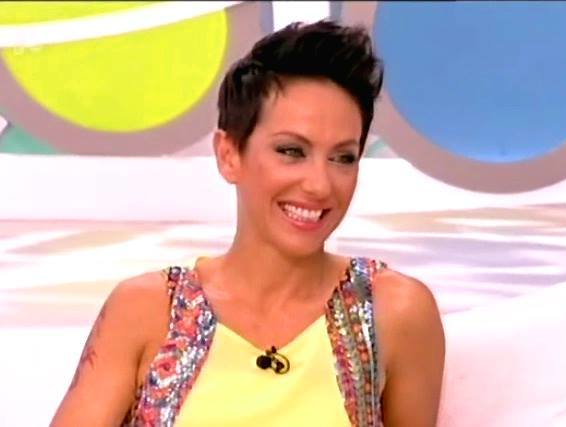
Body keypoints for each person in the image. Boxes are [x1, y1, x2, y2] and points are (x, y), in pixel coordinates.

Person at [50, 20, 444, 427]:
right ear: (229, 154)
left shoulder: (395, 311)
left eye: (343, 157)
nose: (319, 184)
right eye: (291, 151)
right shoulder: (146, 310)